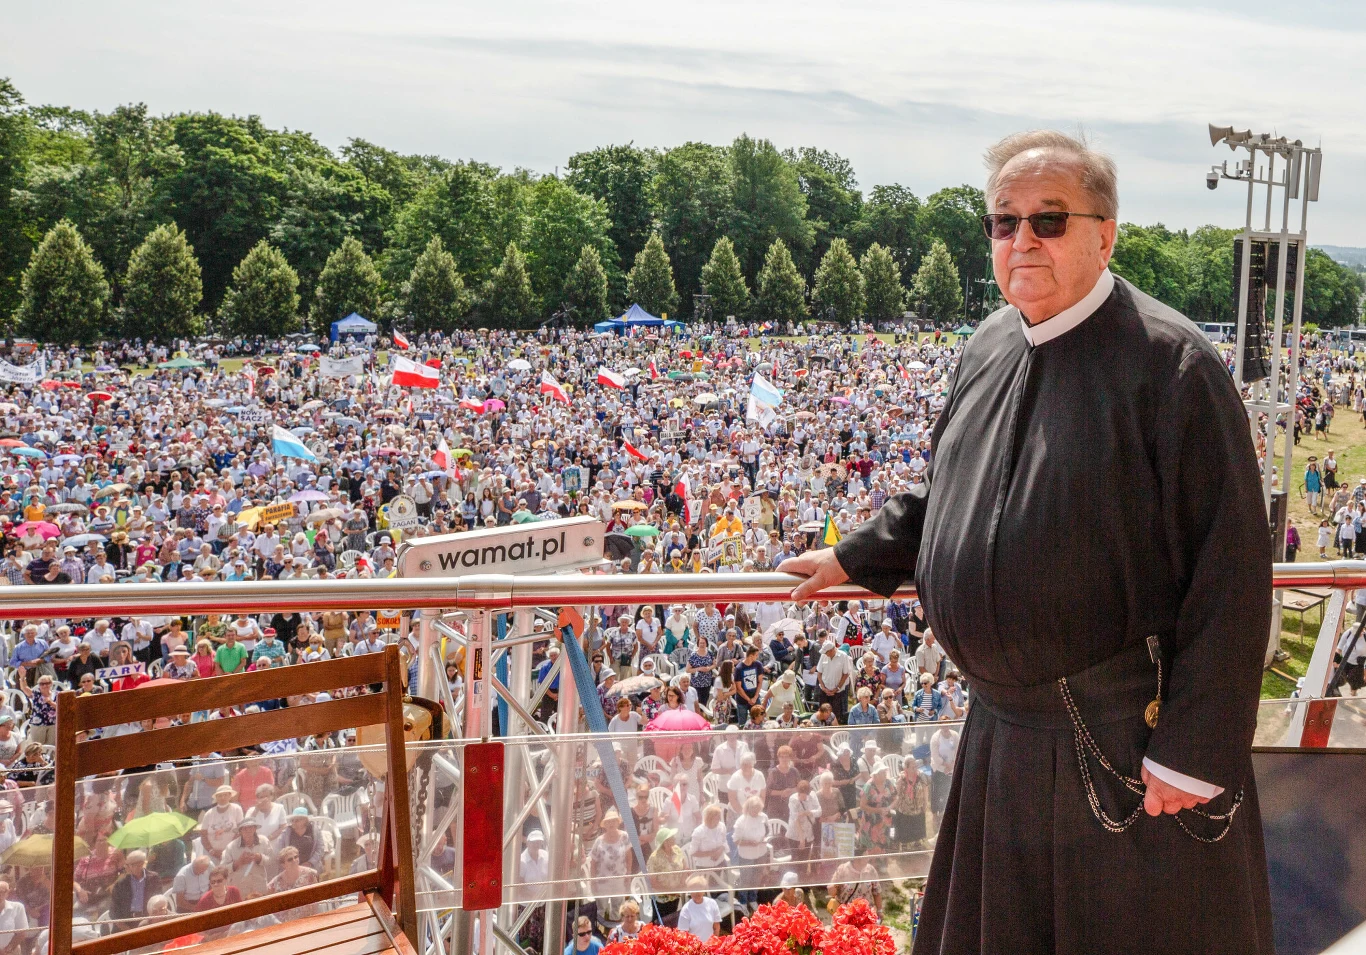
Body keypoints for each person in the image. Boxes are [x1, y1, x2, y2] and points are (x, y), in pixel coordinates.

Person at [786, 129, 1273, 952]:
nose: (1022, 240)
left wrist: (1189, 752)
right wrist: (859, 554)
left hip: (1124, 745)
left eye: (1049, 220)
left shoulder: (1174, 366)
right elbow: (953, 493)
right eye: (1003, 222)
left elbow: (1233, 571)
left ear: (1105, 232)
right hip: (1002, 737)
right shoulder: (986, 344)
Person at [676, 876, 721, 943]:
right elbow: (683, 934)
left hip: (710, 946)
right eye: (693, 890)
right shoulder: (686, 909)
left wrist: (714, 944)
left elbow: (716, 927)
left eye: (699, 889)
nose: (696, 893)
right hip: (694, 947)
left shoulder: (712, 903)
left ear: (704, 890)